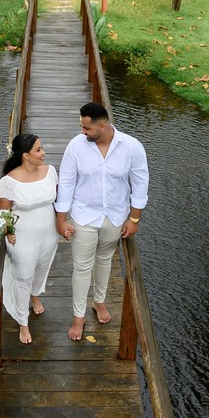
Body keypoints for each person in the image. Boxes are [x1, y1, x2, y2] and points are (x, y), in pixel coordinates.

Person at [54, 102, 149, 341]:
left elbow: (140, 183)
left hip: (115, 217)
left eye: (87, 128)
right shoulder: (76, 146)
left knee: (105, 259)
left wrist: (134, 218)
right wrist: (61, 220)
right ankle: (78, 316)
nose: (82, 132)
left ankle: (99, 301)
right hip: (83, 216)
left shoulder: (132, 147)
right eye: (82, 127)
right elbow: (65, 183)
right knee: (82, 267)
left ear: (103, 126)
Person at [0, 133, 59, 344]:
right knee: (23, 275)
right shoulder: (8, 182)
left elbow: (58, 200)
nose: (44, 153)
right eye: (38, 150)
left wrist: (63, 223)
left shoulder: (50, 172)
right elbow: (4, 212)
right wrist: (9, 231)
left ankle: (35, 295)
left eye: (42, 148)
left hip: (48, 232)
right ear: (25, 155)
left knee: (41, 266)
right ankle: (23, 322)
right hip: (22, 236)